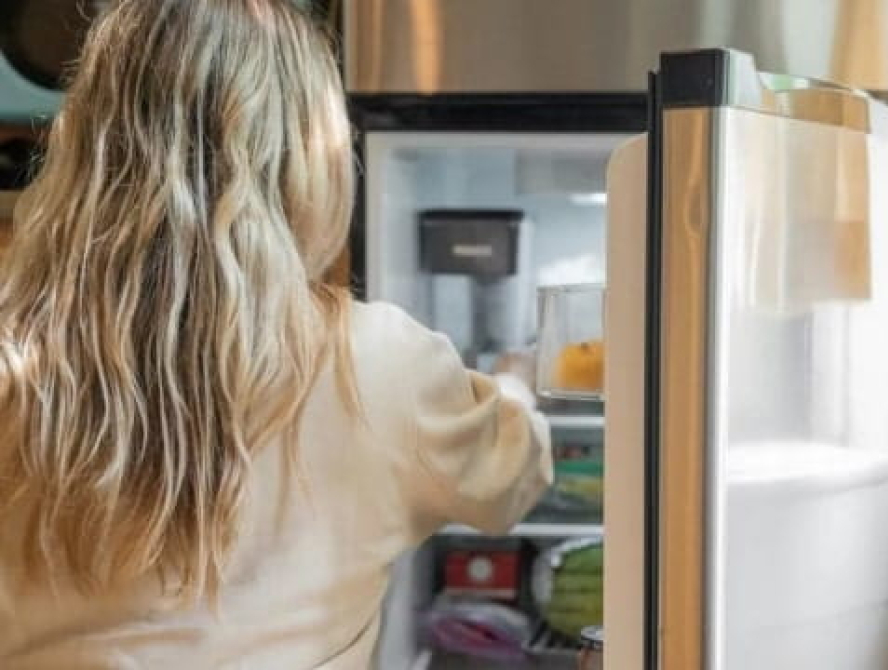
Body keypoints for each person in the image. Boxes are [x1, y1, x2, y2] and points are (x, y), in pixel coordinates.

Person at [0, 1, 552, 668]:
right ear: (306, 159)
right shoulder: (375, 367)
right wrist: (515, 383)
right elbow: (510, 481)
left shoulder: (15, 361)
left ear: (87, 142)